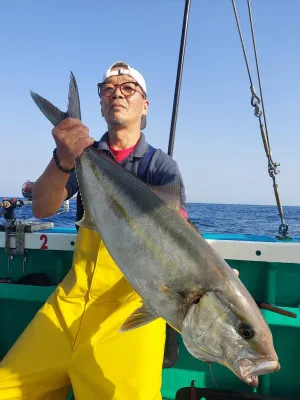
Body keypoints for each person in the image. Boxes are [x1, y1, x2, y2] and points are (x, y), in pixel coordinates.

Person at [0, 61, 188, 400]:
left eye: (128, 87)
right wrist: (63, 159)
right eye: (108, 89)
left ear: (144, 105)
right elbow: (43, 207)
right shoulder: (80, 154)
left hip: (129, 308)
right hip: (68, 303)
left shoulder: (159, 166)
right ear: (101, 103)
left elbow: (178, 230)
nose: (117, 92)